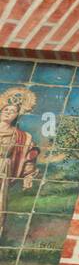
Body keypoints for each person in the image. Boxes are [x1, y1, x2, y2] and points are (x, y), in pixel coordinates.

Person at [0, 87, 39, 225]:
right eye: (6, 110)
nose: (8, 113)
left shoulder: (22, 137)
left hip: (3, 171)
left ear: (17, 115)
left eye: (13, 111)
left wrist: (28, 176)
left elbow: (28, 157)